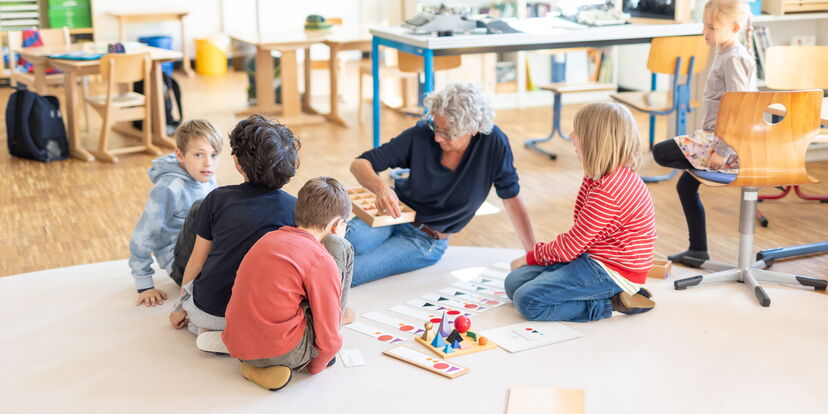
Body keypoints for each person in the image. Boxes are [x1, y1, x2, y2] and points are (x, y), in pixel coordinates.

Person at [346, 82, 536, 286]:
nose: (437, 137)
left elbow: (511, 199)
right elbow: (359, 163)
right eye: (436, 127)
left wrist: (534, 254)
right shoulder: (422, 134)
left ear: (473, 129)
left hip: (425, 240)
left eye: (447, 133)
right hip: (392, 215)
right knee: (335, 245)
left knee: (350, 272)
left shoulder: (493, 144)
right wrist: (381, 188)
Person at [505, 102, 657, 322]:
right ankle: (602, 294)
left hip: (614, 270)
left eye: (577, 131)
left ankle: (607, 302)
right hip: (592, 256)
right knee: (513, 283)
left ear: (592, 140)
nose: (570, 136)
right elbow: (578, 242)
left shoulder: (609, 190)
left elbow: (570, 247)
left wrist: (530, 257)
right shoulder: (598, 175)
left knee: (528, 301)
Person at [201, 177, 354, 391]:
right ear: (337, 225)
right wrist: (319, 363)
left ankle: (252, 364)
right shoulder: (321, 260)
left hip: (238, 341)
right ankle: (272, 361)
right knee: (343, 249)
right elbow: (327, 338)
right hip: (284, 350)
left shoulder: (267, 239)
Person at [168, 114, 299, 335]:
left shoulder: (216, 199)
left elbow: (196, 261)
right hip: (262, 317)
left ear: (238, 163)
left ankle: (217, 334)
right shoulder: (296, 209)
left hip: (210, 313)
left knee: (200, 215)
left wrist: (179, 306)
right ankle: (238, 338)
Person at [651, 0, 756, 265]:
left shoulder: (734, 58)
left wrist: (722, 151)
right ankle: (698, 250)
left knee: (660, 152)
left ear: (734, 27)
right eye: (704, 25)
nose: (705, 31)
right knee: (686, 187)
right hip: (715, 140)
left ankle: (698, 249)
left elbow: (740, 110)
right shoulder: (725, 52)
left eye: (712, 27)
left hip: (725, 145)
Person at [128, 119, 222, 307]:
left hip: (203, 250)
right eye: (198, 154)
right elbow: (143, 235)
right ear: (180, 155)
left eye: (214, 155)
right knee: (201, 209)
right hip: (181, 263)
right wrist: (144, 285)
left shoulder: (208, 177)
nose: (208, 163)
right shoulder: (168, 188)